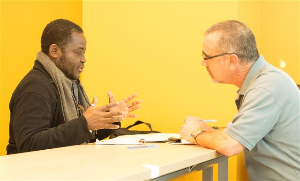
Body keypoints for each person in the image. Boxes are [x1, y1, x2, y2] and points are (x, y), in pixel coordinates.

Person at [179, 20, 300, 180]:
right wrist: (210, 134)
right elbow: (237, 134)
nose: (203, 63)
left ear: (232, 61)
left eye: (207, 56)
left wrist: (195, 133)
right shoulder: (264, 80)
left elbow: (230, 145)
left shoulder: (265, 88)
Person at [7, 19, 141, 154]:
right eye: (78, 52)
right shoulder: (35, 88)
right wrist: (84, 124)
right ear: (54, 51)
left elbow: (81, 134)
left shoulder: (69, 84)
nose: (84, 59)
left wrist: (109, 118)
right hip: (34, 173)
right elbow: (29, 144)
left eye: (84, 52)